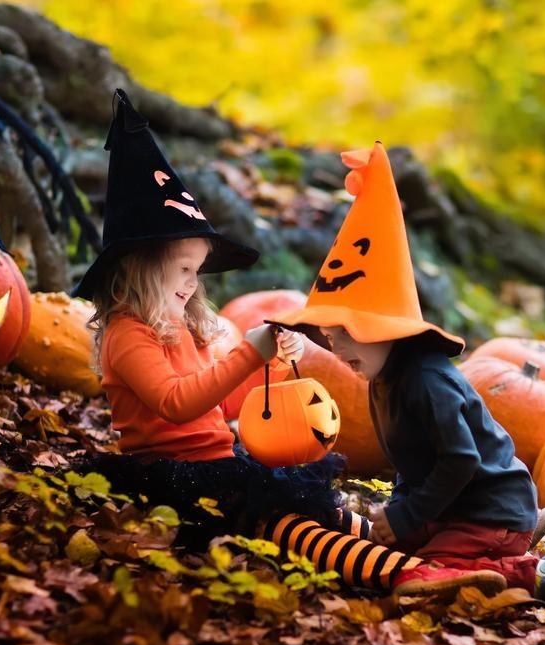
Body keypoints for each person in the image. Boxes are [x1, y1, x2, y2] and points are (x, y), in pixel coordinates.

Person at [73, 90, 506, 597]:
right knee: (284, 527)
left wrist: (272, 370)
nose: (192, 283)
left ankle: (416, 551)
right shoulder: (128, 334)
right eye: (183, 270)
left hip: (216, 463)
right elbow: (176, 403)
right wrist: (248, 352)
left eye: (196, 271)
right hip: (173, 477)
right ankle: (405, 576)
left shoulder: (182, 328)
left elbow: (225, 403)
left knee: (317, 508)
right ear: (140, 267)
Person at [269, 142, 545, 615]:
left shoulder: (428, 380)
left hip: (491, 508)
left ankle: (537, 569)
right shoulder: (383, 375)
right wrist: (401, 513)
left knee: (433, 568)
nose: (335, 348)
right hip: (452, 505)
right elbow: (415, 461)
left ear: (388, 330)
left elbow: (461, 460)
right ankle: (486, 551)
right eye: (327, 335)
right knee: (410, 552)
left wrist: (406, 514)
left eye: (347, 333)